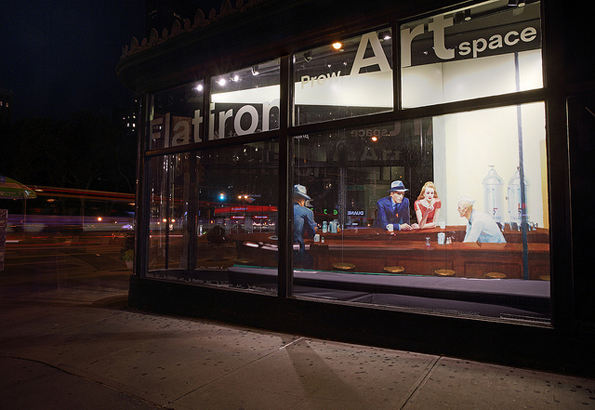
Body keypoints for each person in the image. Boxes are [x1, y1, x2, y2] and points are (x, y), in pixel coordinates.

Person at [293, 184, 317, 267]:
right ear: (302, 199)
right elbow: (312, 233)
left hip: (281, 250)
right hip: (298, 249)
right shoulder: (307, 212)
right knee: (312, 260)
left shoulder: (281, 210)